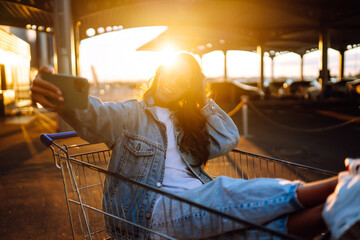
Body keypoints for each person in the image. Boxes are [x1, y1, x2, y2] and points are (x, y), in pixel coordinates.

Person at [32, 52, 341, 239]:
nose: (173, 81)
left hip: (194, 207)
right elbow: (95, 118)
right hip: (149, 215)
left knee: (256, 233)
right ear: (159, 73)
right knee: (223, 189)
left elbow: (227, 137)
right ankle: (341, 183)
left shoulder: (188, 123)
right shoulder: (130, 114)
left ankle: (341, 207)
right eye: (171, 73)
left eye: (184, 79)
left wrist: (201, 99)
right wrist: (62, 101)